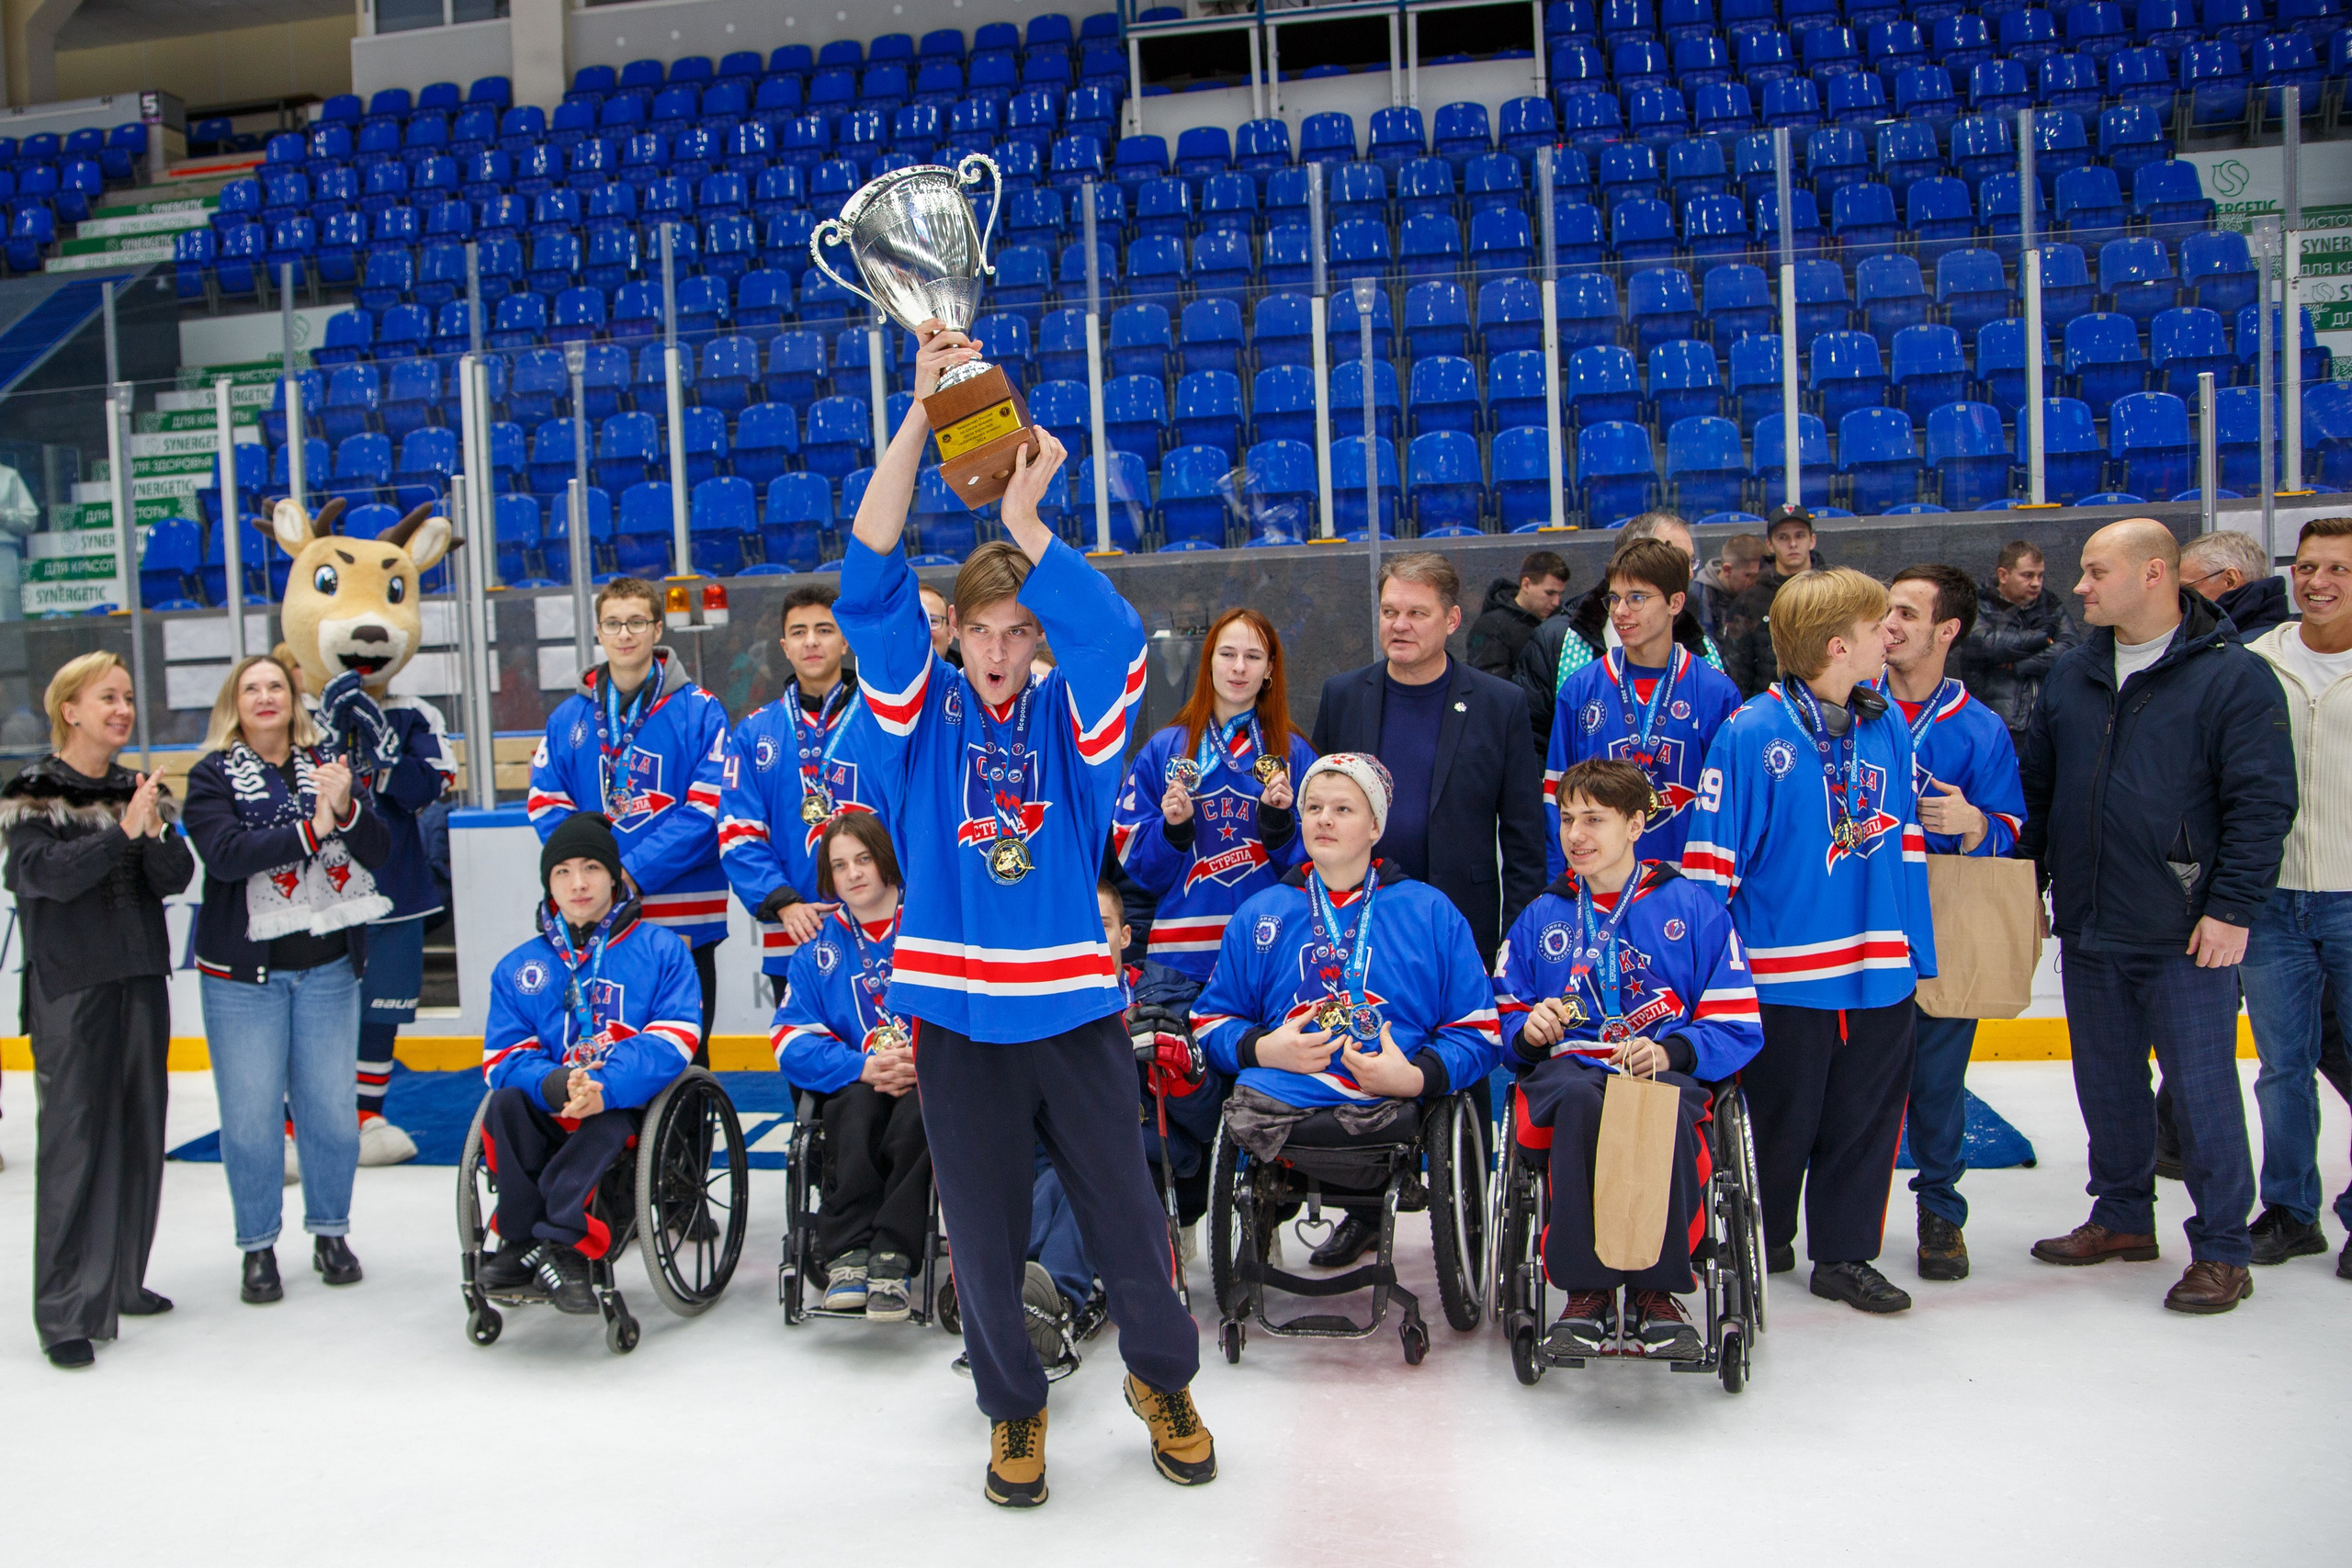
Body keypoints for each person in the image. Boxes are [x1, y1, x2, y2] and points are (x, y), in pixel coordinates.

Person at [832, 318, 1212, 1508]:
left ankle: (1161, 1378)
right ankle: (1013, 1407)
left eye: (1017, 630)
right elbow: (866, 571)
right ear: (956, 634)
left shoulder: (1074, 725)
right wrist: (919, 412)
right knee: (982, 1235)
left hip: (1068, 1012)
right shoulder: (914, 715)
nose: (997, 650)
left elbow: (1110, 637)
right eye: (980, 629)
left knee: (1123, 1211)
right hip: (952, 1015)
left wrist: (1032, 520)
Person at [2018, 519, 2294, 1314]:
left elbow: (2263, 804)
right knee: (2106, 1084)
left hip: (2185, 931)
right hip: (2092, 921)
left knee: (2203, 1094)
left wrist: (2232, 907)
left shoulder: (2231, 677)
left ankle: (2222, 1248)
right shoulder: (2073, 674)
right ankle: (2122, 1217)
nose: (2080, 587)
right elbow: (2042, 792)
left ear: (2154, 575)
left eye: (2095, 572)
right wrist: (2031, 886)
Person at [1683, 568, 1937, 1314]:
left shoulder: (1884, 720)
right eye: (1875, 626)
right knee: (1778, 1125)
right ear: (1836, 645)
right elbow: (1709, 873)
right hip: (1784, 979)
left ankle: (1846, 1253)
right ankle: (1765, 1233)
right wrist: (1711, 988)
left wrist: (1914, 948)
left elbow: (1908, 845)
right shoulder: (1751, 733)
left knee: (1866, 1122)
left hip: (1879, 970)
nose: (1888, 636)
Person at [1494, 759, 1763, 1357]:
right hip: (1568, 1076)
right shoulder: (1542, 915)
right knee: (1585, 1097)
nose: (1575, 835)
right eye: (1566, 819)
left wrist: (1670, 1051)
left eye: (1594, 819)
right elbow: (1501, 1014)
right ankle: (1585, 1291)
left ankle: (1655, 1292)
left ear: (1638, 822)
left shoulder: (1693, 908)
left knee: (1645, 1103)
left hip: (1657, 1074)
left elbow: (1737, 1021)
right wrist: (1527, 1028)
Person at [1, 653, 194, 1371]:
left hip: (139, 976)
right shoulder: (32, 791)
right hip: (71, 986)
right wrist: (121, 834)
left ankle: (118, 1279)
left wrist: (150, 829)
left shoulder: (135, 787)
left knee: (141, 1130)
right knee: (75, 1143)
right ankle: (63, 1311)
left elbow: (175, 876)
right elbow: (41, 877)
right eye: (106, 697)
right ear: (69, 708)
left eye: (126, 697)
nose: (121, 708)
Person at [185, 654, 392, 1307]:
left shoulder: (328, 764)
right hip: (244, 978)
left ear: (294, 697)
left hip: (328, 969)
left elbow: (378, 850)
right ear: (235, 704)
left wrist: (346, 808)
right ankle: (257, 1245)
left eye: (276, 684)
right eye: (252, 688)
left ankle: (331, 1232)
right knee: (249, 1120)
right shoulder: (212, 775)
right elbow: (224, 857)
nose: (266, 695)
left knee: (331, 1116)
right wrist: (312, 828)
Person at [1190, 750, 1501, 1184]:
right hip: (1282, 1095)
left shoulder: (1431, 913)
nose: (1324, 820)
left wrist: (1414, 1077)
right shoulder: (1260, 914)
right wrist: (1264, 1050)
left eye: (1343, 809)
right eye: (1313, 808)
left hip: (1392, 1098)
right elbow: (1209, 1020)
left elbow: (1479, 1030)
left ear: (1375, 826)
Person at [474, 813, 701, 1314]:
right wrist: (556, 1084)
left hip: (622, 1106)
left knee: (606, 1123)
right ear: (547, 883)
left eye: (592, 867)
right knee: (504, 1104)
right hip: (551, 1102)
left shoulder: (663, 951)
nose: (578, 883)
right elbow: (503, 1057)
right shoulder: (517, 967)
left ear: (615, 876)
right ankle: (521, 1241)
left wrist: (603, 1087)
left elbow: (675, 1038)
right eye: (563, 872)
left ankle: (567, 1244)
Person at [1875, 564, 2027, 1283]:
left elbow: (2010, 828)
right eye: (1886, 612)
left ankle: (1940, 1207)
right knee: (1850, 1084)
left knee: (1936, 1084)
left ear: (1948, 630)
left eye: (1906, 613)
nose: (1890, 625)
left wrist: (1973, 824)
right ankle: (1843, 1210)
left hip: (1937, 924)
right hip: (1853, 924)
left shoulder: (1979, 726)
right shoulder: (1847, 705)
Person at [1312, 551, 1545, 965]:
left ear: (1452, 620)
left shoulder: (1500, 704)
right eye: (1389, 611)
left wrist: (1518, 946)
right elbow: (1315, 813)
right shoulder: (1342, 696)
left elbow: (1523, 839)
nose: (1399, 625)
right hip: (1356, 924)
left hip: (1462, 924)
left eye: (1417, 613)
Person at [528, 577, 730, 1051]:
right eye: (613, 623)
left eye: (637, 622)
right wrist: (593, 874)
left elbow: (708, 810)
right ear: (599, 632)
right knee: (603, 1044)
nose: (625, 634)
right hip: (595, 914)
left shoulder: (701, 711)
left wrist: (629, 872)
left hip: (682, 912)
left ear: (657, 629)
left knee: (684, 1049)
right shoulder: (566, 720)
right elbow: (545, 802)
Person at [2237, 516, 2352, 1280]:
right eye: (2308, 566)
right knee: (2283, 1064)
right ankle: (2289, 1208)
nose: (2318, 582)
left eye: (2339, 569)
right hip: (2273, 897)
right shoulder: (2256, 662)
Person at [768, 813, 931, 1320]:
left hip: (925, 1080)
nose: (854, 874)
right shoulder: (816, 949)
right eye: (840, 866)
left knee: (917, 1118)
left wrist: (922, 1063)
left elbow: (973, 1009)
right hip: (858, 1080)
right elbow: (789, 1038)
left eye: (863, 859)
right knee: (853, 1113)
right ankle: (847, 1254)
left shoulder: (932, 927)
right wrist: (861, 1067)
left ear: (886, 859)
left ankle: (894, 1254)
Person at [1111, 605, 1317, 989]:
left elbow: (1324, 859)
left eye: (1253, 657)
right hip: (1179, 961)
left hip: (1274, 951)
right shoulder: (1164, 750)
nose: (1239, 667)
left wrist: (1281, 825)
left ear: (1269, 668)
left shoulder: (1295, 755)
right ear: (1209, 661)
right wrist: (1172, 830)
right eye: (1228, 654)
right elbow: (1135, 860)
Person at [311, 663, 455, 1169]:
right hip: (313, 892)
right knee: (307, 1008)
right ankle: (293, 1122)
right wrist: (325, 739)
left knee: (380, 1012)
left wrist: (386, 759)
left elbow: (433, 787)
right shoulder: (295, 709)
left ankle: (366, 1117)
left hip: (392, 884)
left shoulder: (412, 712)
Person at [719, 585, 886, 999]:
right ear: (784, 646)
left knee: (899, 1056)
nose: (811, 641)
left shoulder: (886, 719)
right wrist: (783, 902)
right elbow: (737, 833)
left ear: (845, 640)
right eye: (798, 632)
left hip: (888, 925)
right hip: (796, 930)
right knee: (808, 1054)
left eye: (824, 630)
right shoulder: (755, 732)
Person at [1543, 537, 1743, 879]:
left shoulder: (1715, 692)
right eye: (1615, 598)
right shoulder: (1580, 690)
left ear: (1675, 602)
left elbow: (1732, 810)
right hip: (1600, 885)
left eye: (1637, 598)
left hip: (1687, 887)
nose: (1620, 611)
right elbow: (1556, 800)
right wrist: (1561, 884)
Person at [1516, 513, 1727, 743]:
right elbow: (1530, 739)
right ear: (1630, 557)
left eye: (1690, 561)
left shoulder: (1703, 649)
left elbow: (1723, 752)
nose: (1689, 573)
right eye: (1675, 558)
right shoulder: (1559, 640)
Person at [1962, 539, 2082, 750]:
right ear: (2003, 575)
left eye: (2040, 575)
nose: (2036, 583)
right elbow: (1986, 645)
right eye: (2028, 575)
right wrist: (2042, 638)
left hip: (2046, 719)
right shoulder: (1977, 603)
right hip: (1996, 719)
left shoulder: (2050, 603)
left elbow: (2071, 648)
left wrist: (2019, 664)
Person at [1720, 504, 1827, 697]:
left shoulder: (1835, 595)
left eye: (1800, 535)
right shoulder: (1748, 603)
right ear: (1769, 544)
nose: (1792, 544)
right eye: (1783, 537)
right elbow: (1737, 673)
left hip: (1828, 709)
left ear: (1812, 540)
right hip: (1768, 710)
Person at [1465, 548, 1569, 678]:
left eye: (1559, 594)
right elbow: (1490, 685)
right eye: (1549, 593)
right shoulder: (1491, 627)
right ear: (1526, 585)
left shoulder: (1561, 619)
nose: (1556, 602)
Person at [2182, 529, 2292, 638]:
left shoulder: (2235, 649)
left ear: (2230, 581)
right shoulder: (2286, 640)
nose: (2179, 599)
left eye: (2187, 589)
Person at [1692, 534, 1768, 644]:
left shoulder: (1761, 593)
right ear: (1727, 570)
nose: (1755, 582)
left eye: (1760, 576)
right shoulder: (1699, 597)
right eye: (1749, 576)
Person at [919, 581, 962, 666]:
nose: (923, 632)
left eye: (932, 621)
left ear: (950, 633)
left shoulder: (974, 678)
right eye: (912, 622)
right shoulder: (884, 677)